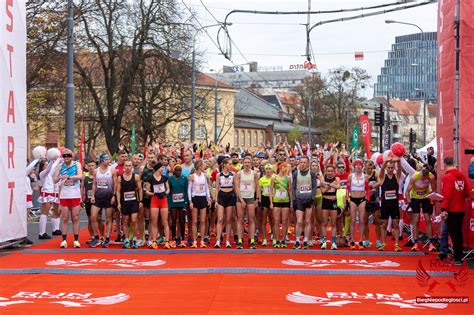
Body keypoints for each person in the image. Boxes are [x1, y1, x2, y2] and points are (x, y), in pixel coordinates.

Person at [440, 157, 470, 265]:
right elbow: (466, 193)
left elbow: (447, 195)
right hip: (460, 209)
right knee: (458, 233)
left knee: (453, 234)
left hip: (451, 209)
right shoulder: (461, 175)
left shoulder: (447, 177)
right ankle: (458, 256)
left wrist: (443, 209)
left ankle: (457, 258)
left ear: (444, 165)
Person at [53, 149, 83, 248]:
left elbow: (80, 176)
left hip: (75, 194)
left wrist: (69, 177)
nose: (66, 158)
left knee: (75, 218)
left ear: (71, 156)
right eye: (65, 156)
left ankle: (76, 240)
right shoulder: (60, 166)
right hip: (64, 195)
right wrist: (61, 177)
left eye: (68, 156)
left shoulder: (76, 164)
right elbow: (54, 180)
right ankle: (64, 240)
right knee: (65, 218)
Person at [405, 168, 437, 251]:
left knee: (427, 219)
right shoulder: (415, 177)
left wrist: (431, 200)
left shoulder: (431, 177)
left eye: (424, 178)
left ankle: (431, 243)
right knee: (416, 219)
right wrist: (409, 202)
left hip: (425, 198)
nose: (423, 180)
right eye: (422, 178)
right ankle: (415, 243)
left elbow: (434, 190)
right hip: (415, 198)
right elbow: (407, 191)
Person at [90, 153, 117, 248]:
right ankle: (97, 237)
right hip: (98, 197)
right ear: (101, 160)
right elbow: (94, 183)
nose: (108, 161)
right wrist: (92, 195)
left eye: (109, 159)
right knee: (93, 217)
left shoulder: (112, 170)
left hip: (108, 197)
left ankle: (107, 238)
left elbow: (115, 184)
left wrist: (114, 196)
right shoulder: (96, 171)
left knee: (109, 218)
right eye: (106, 160)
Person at [292, 156, 318, 249]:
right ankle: (298, 240)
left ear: (308, 163)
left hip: (308, 199)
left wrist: (312, 198)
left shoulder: (311, 173)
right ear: (299, 163)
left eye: (304, 162)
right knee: (299, 221)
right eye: (301, 162)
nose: (303, 164)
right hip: (299, 199)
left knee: (307, 221)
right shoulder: (295, 173)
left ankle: (306, 240)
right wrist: (294, 200)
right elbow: (293, 187)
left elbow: (314, 186)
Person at [116, 160, 143, 249]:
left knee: (134, 220)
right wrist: (119, 203)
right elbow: (118, 191)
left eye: (129, 166)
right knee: (126, 220)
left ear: (132, 167)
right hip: (124, 202)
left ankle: (135, 239)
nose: (128, 167)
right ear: (124, 167)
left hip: (134, 201)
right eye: (126, 165)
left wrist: (140, 201)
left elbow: (139, 189)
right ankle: (127, 240)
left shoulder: (136, 177)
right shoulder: (120, 178)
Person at [144, 162, 171, 249]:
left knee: (165, 221)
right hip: (155, 200)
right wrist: (154, 194)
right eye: (161, 168)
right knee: (154, 221)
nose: (163, 169)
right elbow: (147, 191)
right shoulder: (150, 178)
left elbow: (168, 189)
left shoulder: (164, 178)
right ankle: (154, 241)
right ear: (157, 169)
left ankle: (167, 241)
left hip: (163, 200)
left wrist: (165, 193)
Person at [378, 158, 403, 251]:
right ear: (386, 168)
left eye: (392, 168)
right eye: (388, 168)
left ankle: (396, 244)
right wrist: (386, 160)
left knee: (395, 225)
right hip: (385, 205)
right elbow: (381, 169)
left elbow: (399, 169)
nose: (390, 169)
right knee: (384, 225)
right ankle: (383, 243)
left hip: (394, 205)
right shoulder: (382, 177)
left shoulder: (397, 176)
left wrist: (398, 161)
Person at [235, 157, 259, 249]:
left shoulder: (255, 174)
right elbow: (236, 187)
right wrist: (241, 199)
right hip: (241, 198)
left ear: (251, 163)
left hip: (250, 197)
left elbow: (257, 187)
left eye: (249, 162)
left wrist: (257, 198)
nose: (247, 164)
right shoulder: (238, 174)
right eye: (245, 162)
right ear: (243, 163)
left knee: (251, 219)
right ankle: (240, 240)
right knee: (240, 219)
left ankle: (251, 240)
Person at [188, 160, 211, 248]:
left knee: (202, 220)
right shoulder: (192, 176)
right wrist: (190, 201)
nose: (204, 166)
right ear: (199, 166)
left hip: (203, 198)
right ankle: (194, 240)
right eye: (203, 165)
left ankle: (201, 240)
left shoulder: (204, 176)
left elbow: (207, 188)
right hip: (195, 198)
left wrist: (208, 198)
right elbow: (189, 189)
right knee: (194, 221)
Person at [214, 158, 237, 248]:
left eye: (231, 164)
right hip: (221, 196)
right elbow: (216, 188)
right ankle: (218, 240)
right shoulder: (218, 175)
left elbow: (235, 187)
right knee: (220, 219)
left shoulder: (233, 174)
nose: (231, 166)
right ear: (224, 165)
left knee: (228, 219)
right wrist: (216, 200)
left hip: (230, 196)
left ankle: (227, 240)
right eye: (229, 164)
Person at [38, 156, 62, 239]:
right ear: (42, 167)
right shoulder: (42, 174)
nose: (47, 166)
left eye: (47, 165)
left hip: (50, 194)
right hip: (46, 194)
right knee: (45, 214)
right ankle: (42, 233)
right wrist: (52, 160)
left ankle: (55, 229)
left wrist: (59, 158)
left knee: (55, 212)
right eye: (45, 165)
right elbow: (49, 169)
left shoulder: (49, 175)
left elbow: (53, 168)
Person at [347, 159, 368, 250]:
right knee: (352, 219)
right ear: (354, 166)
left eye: (360, 165)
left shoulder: (365, 176)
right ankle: (352, 240)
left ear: (362, 166)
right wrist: (347, 200)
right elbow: (347, 188)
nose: (358, 166)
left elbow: (367, 189)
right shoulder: (351, 176)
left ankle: (360, 241)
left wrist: (368, 199)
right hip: (353, 199)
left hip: (362, 199)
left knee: (362, 219)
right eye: (357, 165)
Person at [82, 160, 104, 244]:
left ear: (96, 166)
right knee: (90, 219)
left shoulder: (99, 176)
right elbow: (82, 188)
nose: (91, 167)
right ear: (87, 167)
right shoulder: (85, 177)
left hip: (98, 200)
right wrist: (81, 199)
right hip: (88, 200)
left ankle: (101, 236)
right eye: (89, 166)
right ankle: (92, 236)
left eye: (93, 166)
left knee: (99, 219)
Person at [271, 162, 291, 248]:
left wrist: (291, 202)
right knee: (276, 221)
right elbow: (271, 190)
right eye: (284, 167)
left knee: (285, 221)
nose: (285, 169)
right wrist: (271, 202)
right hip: (276, 201)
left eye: (286, 167)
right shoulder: (274, 177)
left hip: (285, 201)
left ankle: (283, 240)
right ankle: (276, 239)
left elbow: (289, 190)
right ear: (280, 168)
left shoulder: (288, 178)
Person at [320, 165, 341, 250]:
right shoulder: (323, 178)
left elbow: (338, 186)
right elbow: (323, 191)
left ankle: (333, 242)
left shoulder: (337, 179)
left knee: (333, 223)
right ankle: (324, 242)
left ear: (334, 171)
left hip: (333, 201)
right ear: (326, 171)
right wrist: (330, 185)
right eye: (328, 171)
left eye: (331, 171)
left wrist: (328, 185)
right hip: (325, 201)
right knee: (324, 223)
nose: (330, 172)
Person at [168, 164, 188, 247]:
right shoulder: (170, 179)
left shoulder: (184, 178)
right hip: (173, 203)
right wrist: (169, 204)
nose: (178, 172)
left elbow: (186, 191)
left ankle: (182, 239)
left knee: (182, 222)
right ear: (174, 171)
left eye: (180, 170)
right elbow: (169, 192)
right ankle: (173, 239)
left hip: (182, 203)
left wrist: (185, 204)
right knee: (173, 221)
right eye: (177, 170)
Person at [365, 160, 382, 249]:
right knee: (364, 221)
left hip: (374, 200)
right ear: (365, 166)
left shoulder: (375, 174)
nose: (369, 167)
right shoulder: (363, 176)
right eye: (368, 165)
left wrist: (371, 186)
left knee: (377, 221)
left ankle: (378, 241)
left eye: (371, 165)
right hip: (365, 201)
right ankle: (367, 240)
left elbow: (379, 182)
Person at [257, 164, 274, 247]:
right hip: (264, 199)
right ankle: (264, 239)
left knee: (273, 219)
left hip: (273, 199)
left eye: (269, 169)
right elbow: (259, 191)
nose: (268, 170)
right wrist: (259, 200)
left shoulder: (274, 178)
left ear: (272, 170)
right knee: (264, 220)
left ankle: (274, 237)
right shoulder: (261, 179)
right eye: (266, 169)